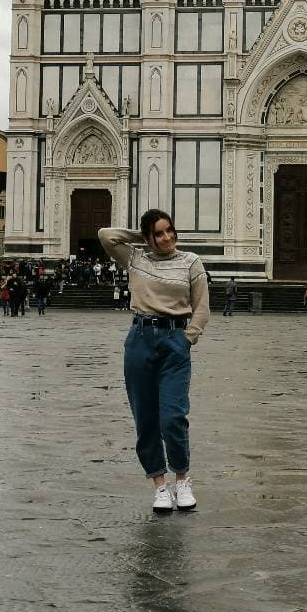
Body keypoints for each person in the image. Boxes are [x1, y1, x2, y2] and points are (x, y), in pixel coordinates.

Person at [99, 210, 209, 514]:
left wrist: (188, 339)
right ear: (149, 237)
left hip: (175, 341)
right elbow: (106, 235)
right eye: (159, 233)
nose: (167, 238)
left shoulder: (191, 262)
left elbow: (201, 307)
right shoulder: (137, 259)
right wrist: (142, 236)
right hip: (140, 341)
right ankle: (160, 486)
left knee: (173, 416)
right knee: (145, 420)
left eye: (169, 231)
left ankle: (182, 478)